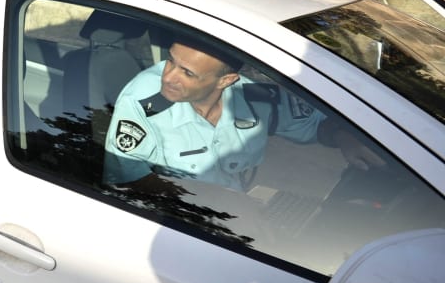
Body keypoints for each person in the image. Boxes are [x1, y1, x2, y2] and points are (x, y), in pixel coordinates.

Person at [103, 37, 381, 191]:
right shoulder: (143, 102)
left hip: (237, 212)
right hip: (179, 219)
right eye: (170, 61)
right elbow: (126, 178)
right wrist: (209, 202)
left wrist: (343, 136)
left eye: (187, 73)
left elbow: (314, 124)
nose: (169, 77)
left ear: (226, 81)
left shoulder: (254, 98)